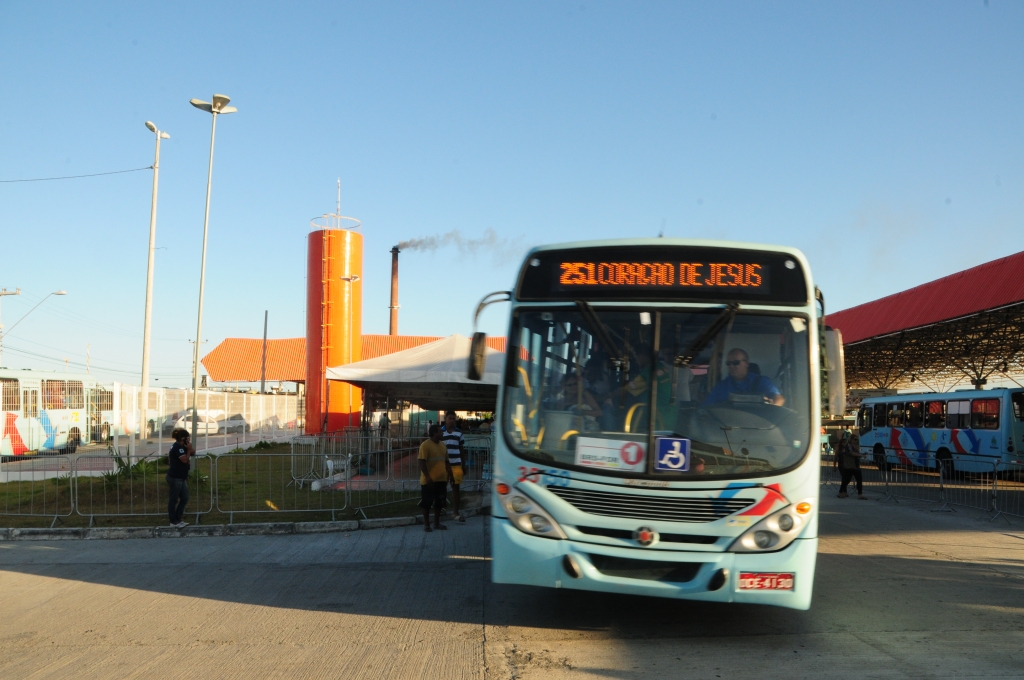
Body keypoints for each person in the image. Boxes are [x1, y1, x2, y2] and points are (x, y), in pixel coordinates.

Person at [704, 348, 784, 406]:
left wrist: (771, 410)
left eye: (736, 363)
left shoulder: (761, 382)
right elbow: (706, 408)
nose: (731, 366)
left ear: (747, 363)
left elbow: (779, 399)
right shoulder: (721, 387)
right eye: (728, 363)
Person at [418, 424, 452, 532]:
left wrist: (451, 475)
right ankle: (427, 524)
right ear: (434, 433)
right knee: (427, 502)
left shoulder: (443, 445)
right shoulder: (425, 445)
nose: (442, 433)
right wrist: (427, 476)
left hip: (441, 480)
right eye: (440, 432)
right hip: (429, 481)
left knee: (439, 502)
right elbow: (422, 462)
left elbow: (447, 462)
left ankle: (436, 523)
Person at [441, 410, 467, 522]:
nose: (452, 420)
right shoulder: (440, 432)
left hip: (456, 464)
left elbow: (462, 449)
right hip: (443, 465)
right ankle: (443, 508)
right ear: (445, 419)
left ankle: (455, 512)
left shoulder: (459, 433)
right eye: (450, 418)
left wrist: (464, 464)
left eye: (453, 418)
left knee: (456, 488)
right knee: (442, 488)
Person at [167, 428, 195, 528]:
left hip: (181, 477)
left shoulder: (182, 447)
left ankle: (178, 519)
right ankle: (173, 521)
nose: (189, 441)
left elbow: (193, 453)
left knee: (185, 497)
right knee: (173, 499)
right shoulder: (177, 447)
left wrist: (189, 448)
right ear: (183, 439)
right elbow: (184, 460)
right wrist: (188, 449)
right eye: (188, 439)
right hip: (175, 477)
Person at [837, 428, 867, 499]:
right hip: (850, 466)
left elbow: (856, 453)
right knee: (847, 480)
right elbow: (851, 453)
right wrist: (861, 455)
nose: (856, 441)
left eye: (856, 439)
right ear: (851, 439)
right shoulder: (848, 446)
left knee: (858, 479)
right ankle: (841, 492)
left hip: (854, 466)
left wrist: (862, 454)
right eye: (855, 439)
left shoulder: (852, 447)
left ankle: (859, 494)